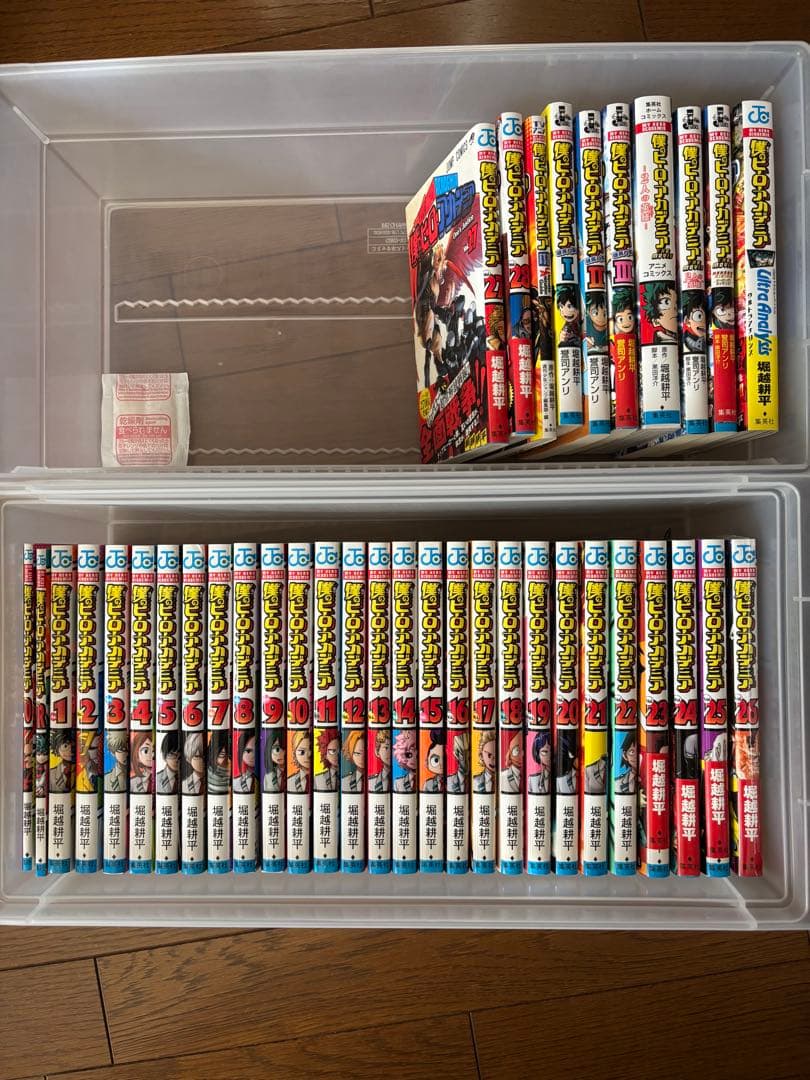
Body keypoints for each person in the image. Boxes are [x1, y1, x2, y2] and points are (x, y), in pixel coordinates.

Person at [422, 729, 444, 793]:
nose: (441, 764)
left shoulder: (452, 780)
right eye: (436, 760)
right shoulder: (428, 784)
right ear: (427, 760)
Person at [34, 732, 48, 797]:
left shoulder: (48, 766)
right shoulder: (36, 765)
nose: (41, 757)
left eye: (44, 754)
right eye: (39, 754)